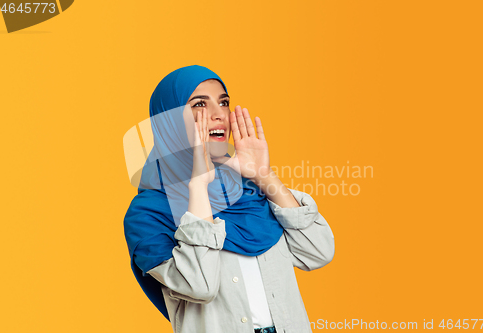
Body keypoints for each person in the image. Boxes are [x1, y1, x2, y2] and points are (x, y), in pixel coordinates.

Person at [124, 65, 335, 333]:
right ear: (169, 121)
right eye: (199, 104)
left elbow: (318, 252)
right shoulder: (147, 214)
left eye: (223, 102)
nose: (218, 114)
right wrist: (198, 185)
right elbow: (199, 286)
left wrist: (264, 176)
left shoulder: (248, 189)